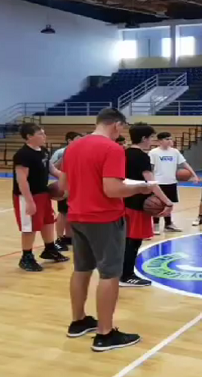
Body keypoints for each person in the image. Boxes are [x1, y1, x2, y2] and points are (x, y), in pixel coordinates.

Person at [61, 108, 152, 352]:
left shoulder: (73, 147)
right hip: (104, 218)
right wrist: (140, 188)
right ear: (116, 125)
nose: (121, 132)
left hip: (77, 216)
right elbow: (112, 190)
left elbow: (63, 186)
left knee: (81, 269)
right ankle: (105, 333)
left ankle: (78, 321)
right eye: (122, 128)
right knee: (109, 274)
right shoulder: (112, 149)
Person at [13, 122, 69, 272]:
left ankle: (49, 249)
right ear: (29, 137)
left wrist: (68, 179)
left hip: (43, 193)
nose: (44, 136)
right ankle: (26, 257)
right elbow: (21, 180)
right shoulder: (22, 154)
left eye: (44, 133)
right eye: (40, 134)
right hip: (27, 196)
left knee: (48, 221)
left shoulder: (43, 151)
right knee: (29, 227)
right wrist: (29, 201)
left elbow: (52, 170)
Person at [122, 122, 173, 287]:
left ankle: (121, 272)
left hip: (122, 201)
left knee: (125, 240)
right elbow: (151, 183)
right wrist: (167, 201)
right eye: (151, 137)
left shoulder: (123, 153)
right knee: (134, 241)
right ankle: (126, 276)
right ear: (144, 138)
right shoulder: (142, 156)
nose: (152, 141)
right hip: (138, 203)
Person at [148, 132, 199, 234]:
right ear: (160, 141)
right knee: (157, 204)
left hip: (171, 182)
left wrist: (194, 175)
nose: (170, 141)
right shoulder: (153, 152)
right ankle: (156, 225)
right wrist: (151, 181)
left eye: (170, 139)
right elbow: (151, 168)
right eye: (167, 139)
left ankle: (168, 224)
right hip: (158, 183)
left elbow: (184, 164)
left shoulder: (175, 152)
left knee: (169, 204)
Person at [50, 131, 83, 251]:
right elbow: (53, 167)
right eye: (78, 139)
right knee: (63, 212)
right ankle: (59, 238)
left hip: (78, 185)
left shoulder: (81, 151)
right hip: (66, 185)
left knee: (71, 212)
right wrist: (64, 180)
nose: (80, 141)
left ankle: (68, 236)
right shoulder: (61, 152)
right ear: (69, 140)